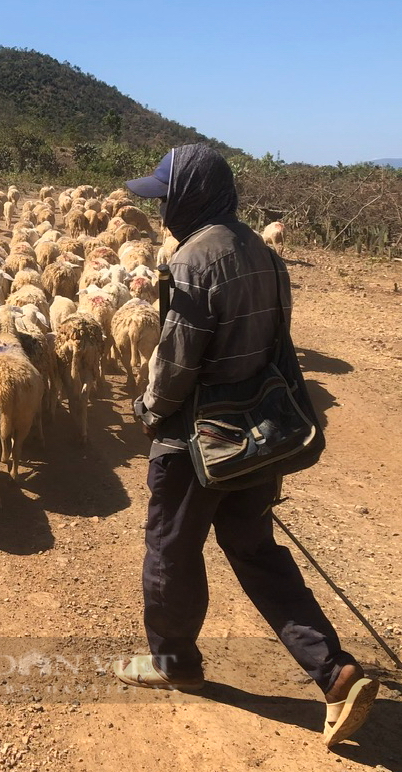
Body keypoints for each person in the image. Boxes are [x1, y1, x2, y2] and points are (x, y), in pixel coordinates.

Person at [113, 143, 378, 748]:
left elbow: (177, 361)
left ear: (191, 197)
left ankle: (173, 661)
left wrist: (148, 412)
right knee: (255, 548)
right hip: (257, 433)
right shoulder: (263, 253)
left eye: (166, 199)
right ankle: (335, 672)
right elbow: (281, 349)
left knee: (171, 549)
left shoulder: (192, 262)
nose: (160, 213)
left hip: (195, 439)